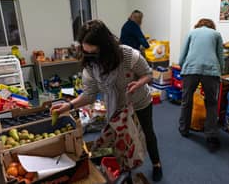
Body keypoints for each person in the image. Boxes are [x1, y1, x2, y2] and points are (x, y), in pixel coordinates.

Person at [51, 20, 163, 182]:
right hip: (117, 107)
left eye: (94, 53)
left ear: (106, 46)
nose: (91, 57)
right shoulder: (90, 66)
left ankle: (157, 164)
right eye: (87, 52)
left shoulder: (128, 55)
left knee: (147, 132)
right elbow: (89, 95)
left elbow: (148, 74)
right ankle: (127, 170)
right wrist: (68, 105)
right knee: (122, 139)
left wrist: (139, 83)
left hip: (139, 102)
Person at [178, 18, 224, 152]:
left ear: (198, 25)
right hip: (211, 71)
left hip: (191, 69)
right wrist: (219, 71)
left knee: (186, 101)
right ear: (211, 26)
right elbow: (220, 56)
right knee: (211, 103)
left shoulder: (191, 33)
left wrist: (183, 67)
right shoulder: (216, 35)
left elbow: (182, 55)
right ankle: (211, 137)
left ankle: (184, 130)